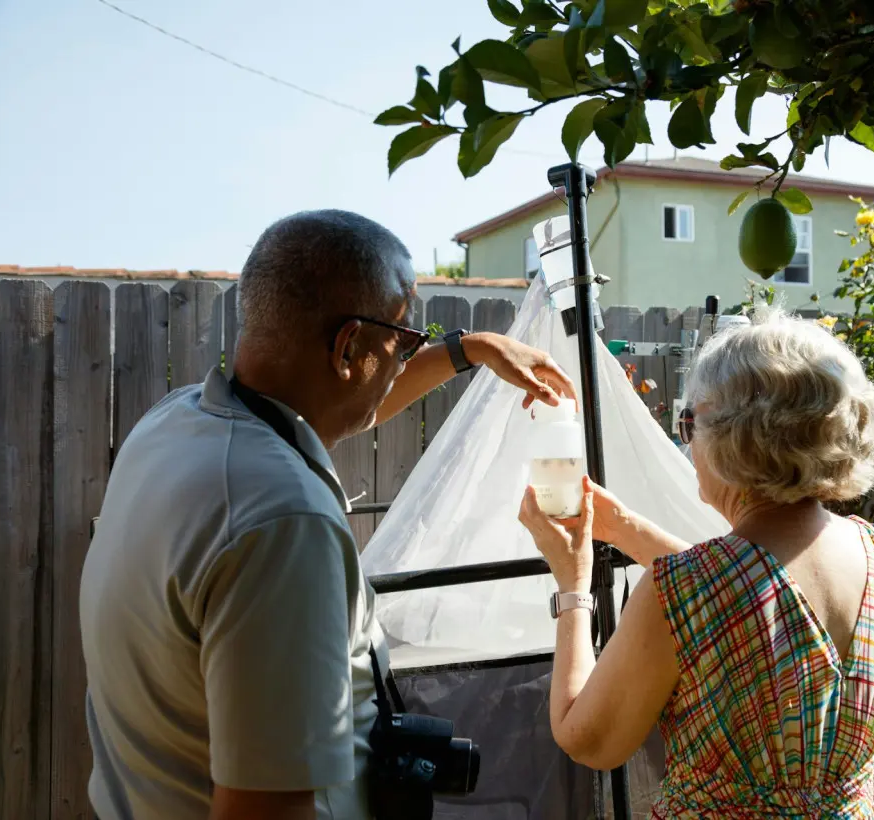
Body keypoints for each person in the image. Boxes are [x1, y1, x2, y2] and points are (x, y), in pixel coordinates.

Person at [79, 209, 576, 820]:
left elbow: (353, 396)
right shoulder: (283, 520)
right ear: (347, 347)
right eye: (403, 339)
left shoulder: (178, 424)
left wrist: (470, 349)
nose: (403, 357)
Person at [519, 307, 874, 819]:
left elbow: (587, 740)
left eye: (688, 421)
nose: (686, 440)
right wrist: (626, 529)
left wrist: (572, 581)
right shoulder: (873, 555)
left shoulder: (682, 588)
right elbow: (759, 603)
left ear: (733, 435)